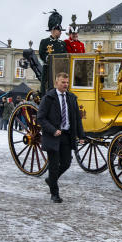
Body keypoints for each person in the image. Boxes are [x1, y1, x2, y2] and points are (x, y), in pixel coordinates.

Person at [37, 72, 85, 203]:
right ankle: (55, 194)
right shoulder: (48, 98)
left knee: (66, 162)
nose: (66, 85)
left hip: (66, 135)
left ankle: (50, 180)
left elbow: (76, 119)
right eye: (63, 82)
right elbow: (40, 118)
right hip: (53, 136)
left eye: (67, 82)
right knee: (53, 165)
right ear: (56, 83)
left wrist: (81, 135)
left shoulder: (71, 98)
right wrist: (53, 130)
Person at [38, 10, 67, 94]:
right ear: (53, 30)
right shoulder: (44, 42)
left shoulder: (62, 44)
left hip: (60, 71)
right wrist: (47, 59)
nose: (61, 32)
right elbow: (42, 54)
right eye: (59, 30)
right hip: (48, 71)